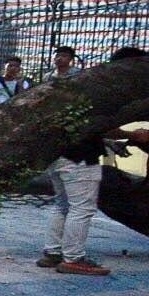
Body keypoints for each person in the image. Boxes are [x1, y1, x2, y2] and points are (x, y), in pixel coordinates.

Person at [38, 48, 149, 277]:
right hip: (80, 156)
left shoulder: (84, 85)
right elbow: (102, 125)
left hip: (58, 153)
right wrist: (132, 135)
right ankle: (74, 258)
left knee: (63, 205)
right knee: (82, 208)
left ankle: (53, 252)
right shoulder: (107, 92)